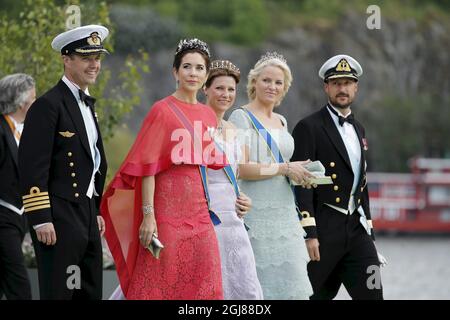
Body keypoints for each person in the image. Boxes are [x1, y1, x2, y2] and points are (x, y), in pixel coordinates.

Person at [101, 38, 226, 300]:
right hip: (166, 212)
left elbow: (213, 163)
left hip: (200, 212)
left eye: (200, 68)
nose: (193, 73)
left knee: (206, 283)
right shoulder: (162, 110)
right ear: (175, 72)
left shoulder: (207, 114)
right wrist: (149, 216)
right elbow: (148, 168)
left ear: (206, 74)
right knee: (162, 284)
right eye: (187, 67)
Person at [18, 25, 109, 300]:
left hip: (87, 213)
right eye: (86, 58)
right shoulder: (48, 105)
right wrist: (41, 218)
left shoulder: (87, 105)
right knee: (62, 293)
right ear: (66, 59)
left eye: (98, 58)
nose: (94, 65)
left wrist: (96, 209)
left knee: (88, 291)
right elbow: (33, 166)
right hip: (59, 216)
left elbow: (93, 163)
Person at [291, 54, 384, 300]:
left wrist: (370, 232)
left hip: (357, 230)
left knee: (374, 296)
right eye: (336, 83)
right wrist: (309, 233)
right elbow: (301, 183)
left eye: (347, 83)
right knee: (313, 297)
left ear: (356, 87)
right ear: (326, 87)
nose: (342, 89)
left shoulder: (359, 128)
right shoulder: (308, 127)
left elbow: (360, 184)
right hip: (323, 230)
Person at [228, 52, 314, 299]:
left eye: (278, 82)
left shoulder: (282, 121)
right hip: (256, 215)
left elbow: (279, 167)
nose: (272, 87)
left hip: (286, 214)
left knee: (292, 286)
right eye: (266, 80)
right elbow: (242, 168)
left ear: (284, 87)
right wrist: (285, 168)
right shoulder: (240, 117)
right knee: (260, 287)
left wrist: (298, 173)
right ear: (254, 82)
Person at [204, 59, 263, 299]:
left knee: (243, 287)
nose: (225, 94)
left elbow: (236, 177)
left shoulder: (235, 132)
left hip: (234, 219)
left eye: (230, 89)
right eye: (219, 88)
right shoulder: (194, 126)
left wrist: (245, 198)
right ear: (205, 89)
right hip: (206, 218)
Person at [0, 73, 35, 300]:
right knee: (19, 288)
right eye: (33, 98)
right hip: (3, 220)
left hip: (16, 220)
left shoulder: (20, 131)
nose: (36, 103)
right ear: (22, 103)